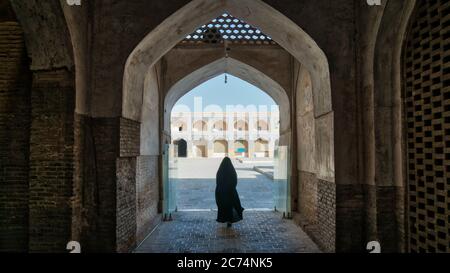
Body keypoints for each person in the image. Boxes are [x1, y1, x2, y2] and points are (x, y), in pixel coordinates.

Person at [215, 157, 244, 227]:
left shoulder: (220, 171)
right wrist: (231, 188)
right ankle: (229, 220)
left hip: (221, 192)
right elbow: (235, 181)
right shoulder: (232, 171)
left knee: (223, 206)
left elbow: (218, 181)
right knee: (231, 206)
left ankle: (224, 219)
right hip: (230, 191)